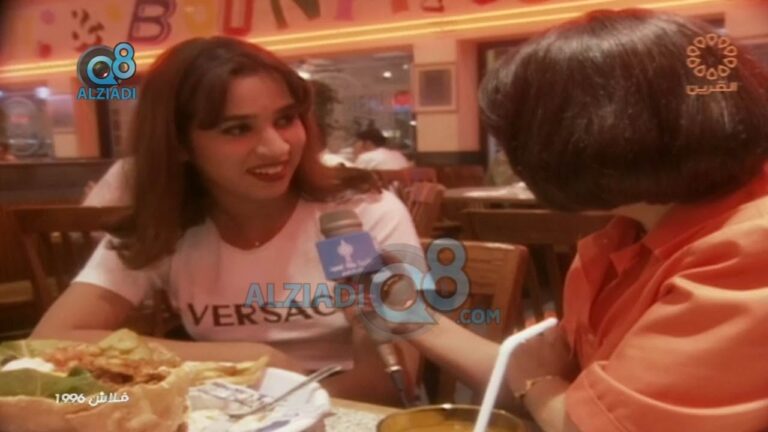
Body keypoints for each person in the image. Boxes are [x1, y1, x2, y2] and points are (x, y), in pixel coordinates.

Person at [392, 9, 768, 432]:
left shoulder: (748, 252)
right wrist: (404, 315)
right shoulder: (626, 235)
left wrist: (538, 381)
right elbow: (568, 391)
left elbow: (582, 417)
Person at [34, 36, 423, 405]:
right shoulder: (166, 223)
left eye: (286, 119)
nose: (277, 147)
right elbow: (49, 341)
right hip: (224, 411)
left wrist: (282, 398)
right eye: (238, 129)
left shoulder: (361, 213)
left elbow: (389, 385)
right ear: (180, 144)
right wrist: (251, 358)